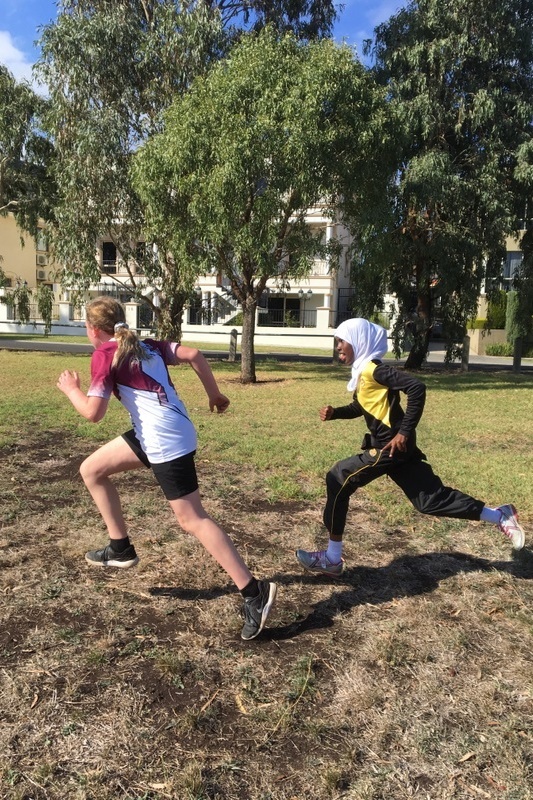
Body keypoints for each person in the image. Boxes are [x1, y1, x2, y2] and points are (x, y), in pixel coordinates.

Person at [57, 296, 276, 640]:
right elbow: (193, 354)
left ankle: (254, 592)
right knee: (92, 470)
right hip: (164, 430)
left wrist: (71, 390)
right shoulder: (144, 344)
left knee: (192, 519)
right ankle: (120, 548)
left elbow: (92, 413)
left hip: (163, 440)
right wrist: (214, 394)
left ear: (93, 329)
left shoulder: (104, 353)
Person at [296, 317, 526, 577]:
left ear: (358, 341)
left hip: (389, 447)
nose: (338, 346)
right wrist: (335, 413)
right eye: (337, 341)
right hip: (397, 450)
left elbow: (417, 387)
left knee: (338, 478)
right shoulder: (364, 373)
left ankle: (332, 558)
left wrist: (404, 432)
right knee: (429, 500)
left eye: (342, 340)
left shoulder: (374, 370)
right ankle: (500, 515)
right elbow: (362, 407)